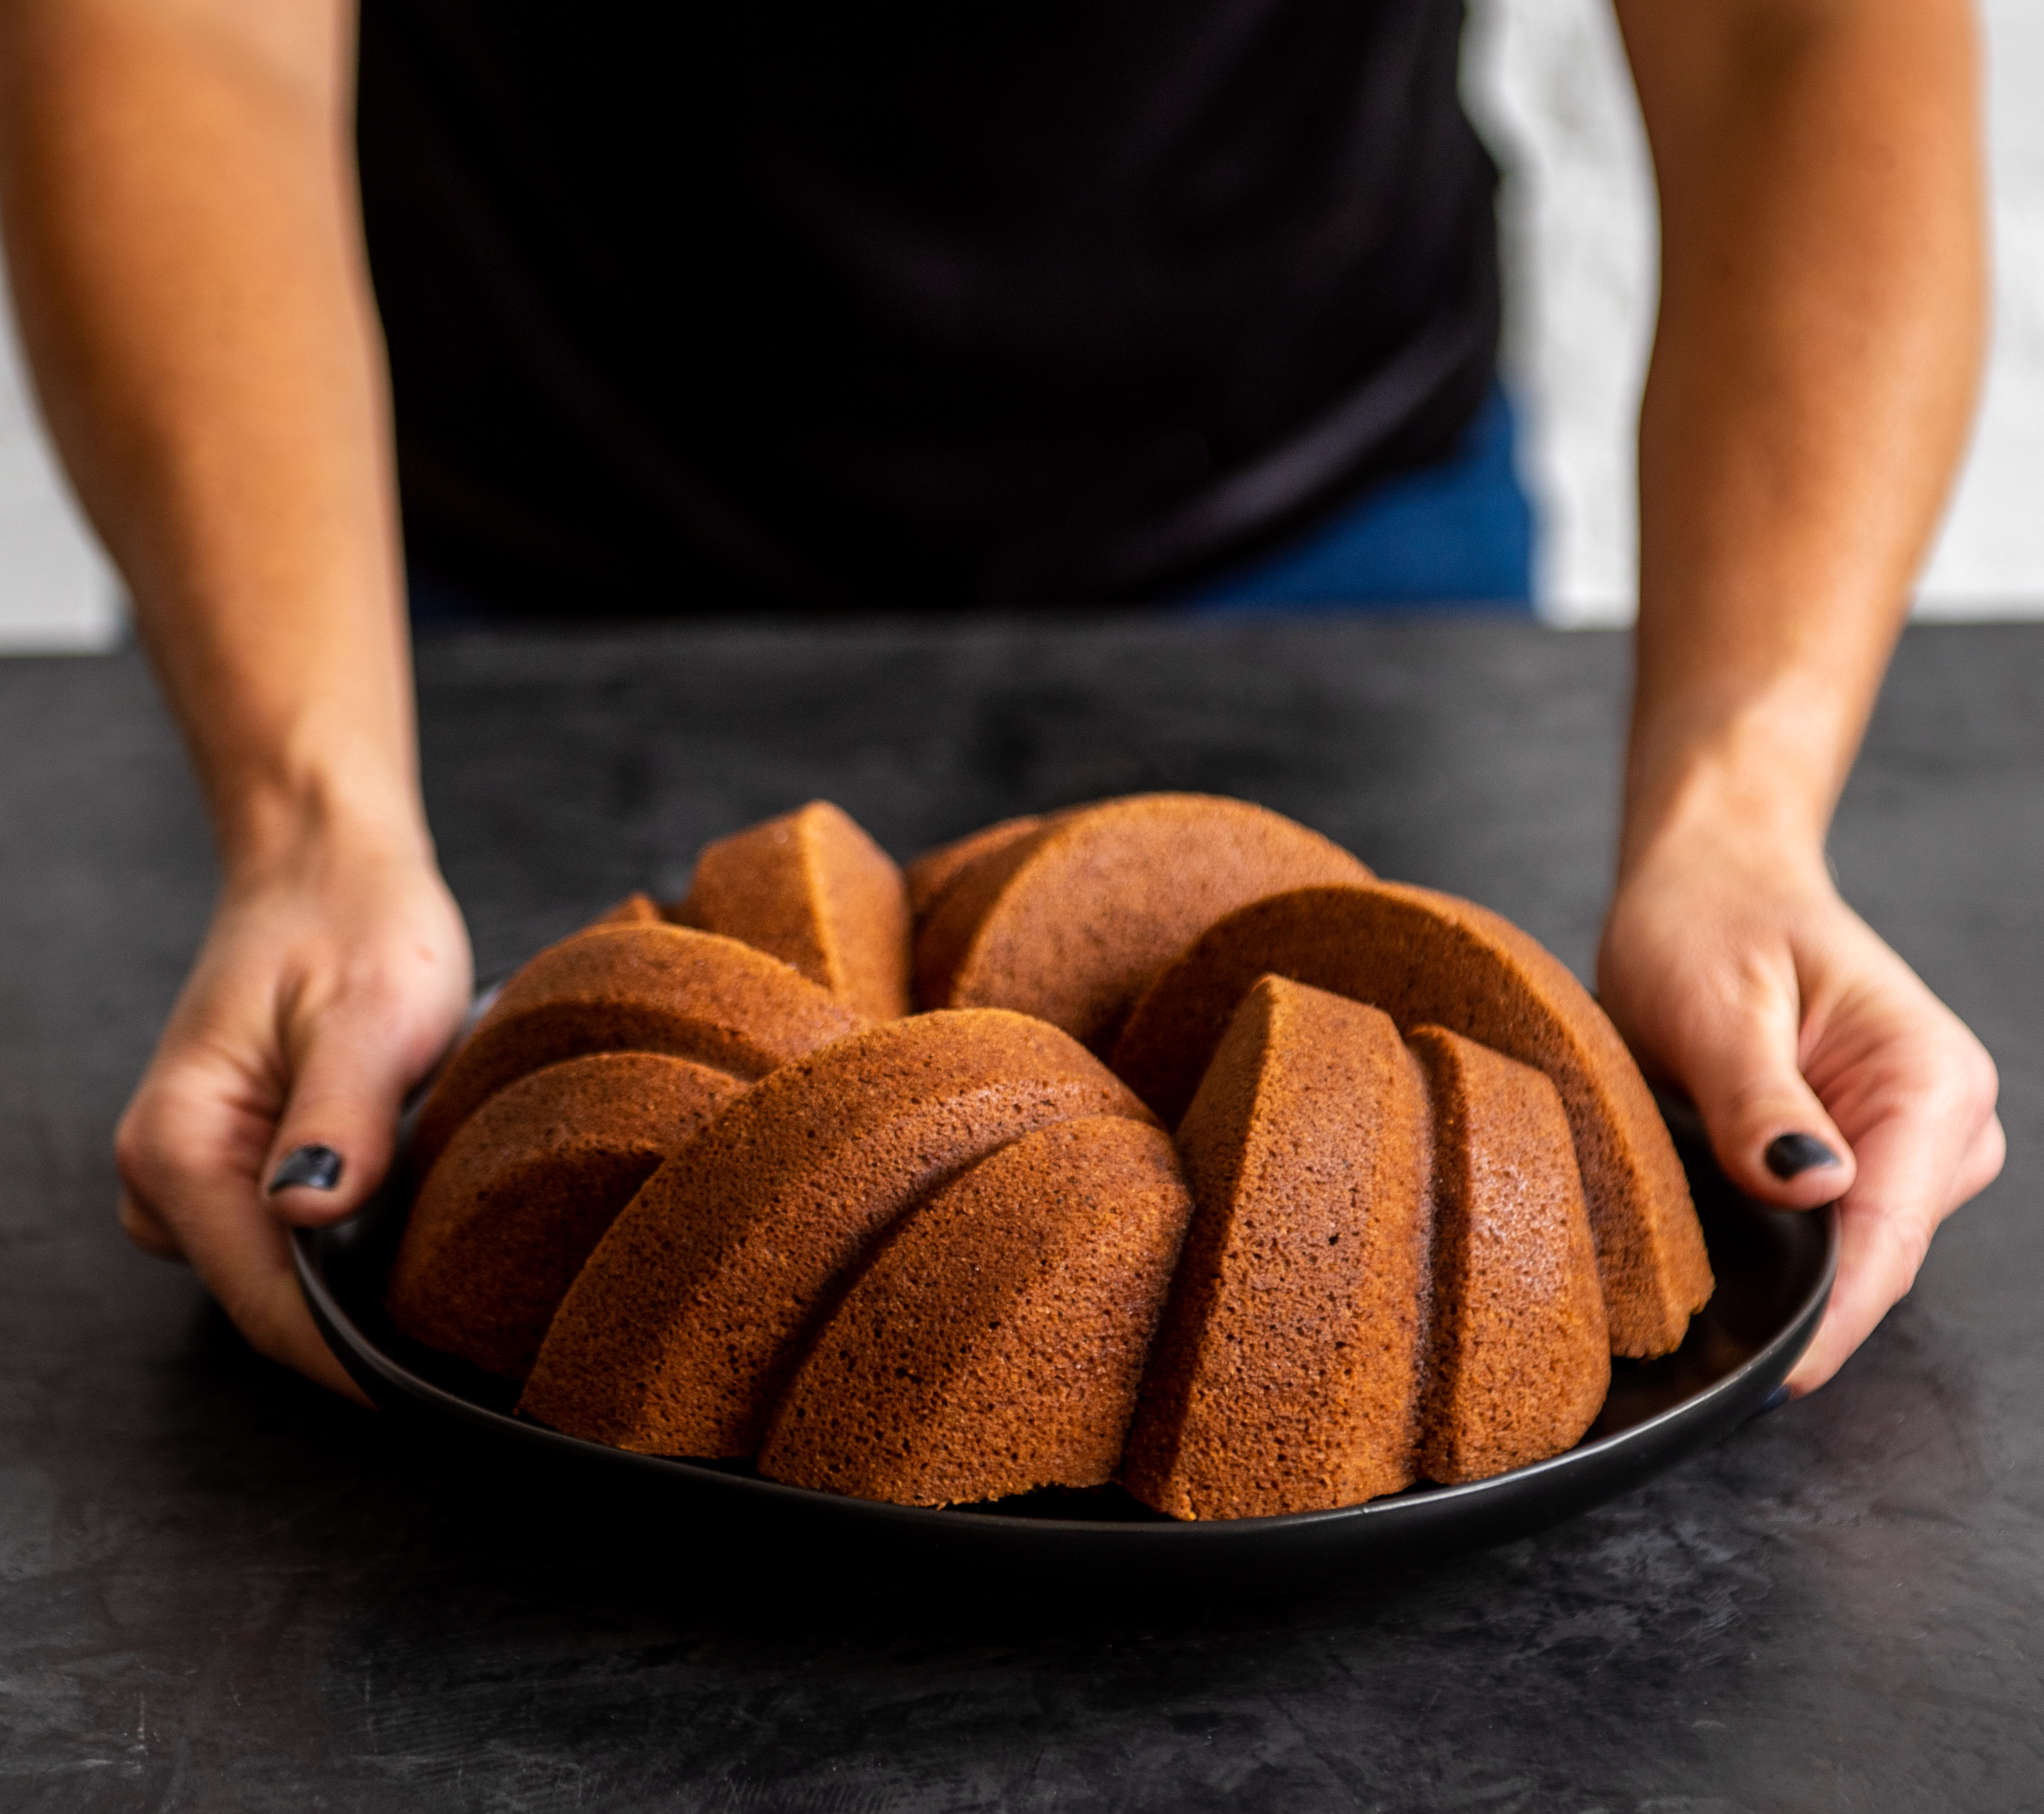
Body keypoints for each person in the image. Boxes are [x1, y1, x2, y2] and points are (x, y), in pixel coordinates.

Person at [0, 1, 2002, 1408]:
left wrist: (1742, 821)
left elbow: (1792, 28)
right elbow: (186, 28)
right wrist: (314, 821)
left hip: (1320, 542)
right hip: (471, 582)